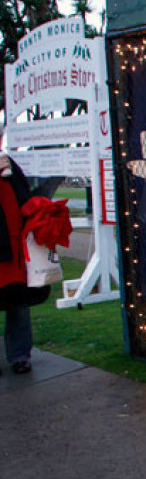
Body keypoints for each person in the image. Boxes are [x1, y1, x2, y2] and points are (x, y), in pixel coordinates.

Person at [0, 154, 45, 375]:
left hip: (15, 246)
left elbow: (24, 198)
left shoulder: (8, 166)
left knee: (17, 303)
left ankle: (20, 355)